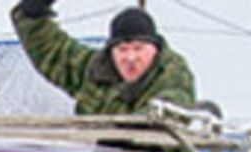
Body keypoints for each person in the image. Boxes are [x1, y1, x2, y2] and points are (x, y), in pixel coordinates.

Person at [11, 1, 198, 116]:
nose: (130, 58)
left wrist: (120, 134)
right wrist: (32, 13)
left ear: (155, 49)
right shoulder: (95, 71)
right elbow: (53, 51)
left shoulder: (172, 75)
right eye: (122, 50)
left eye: (138, 49)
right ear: (111, 52)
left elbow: (169, 112)